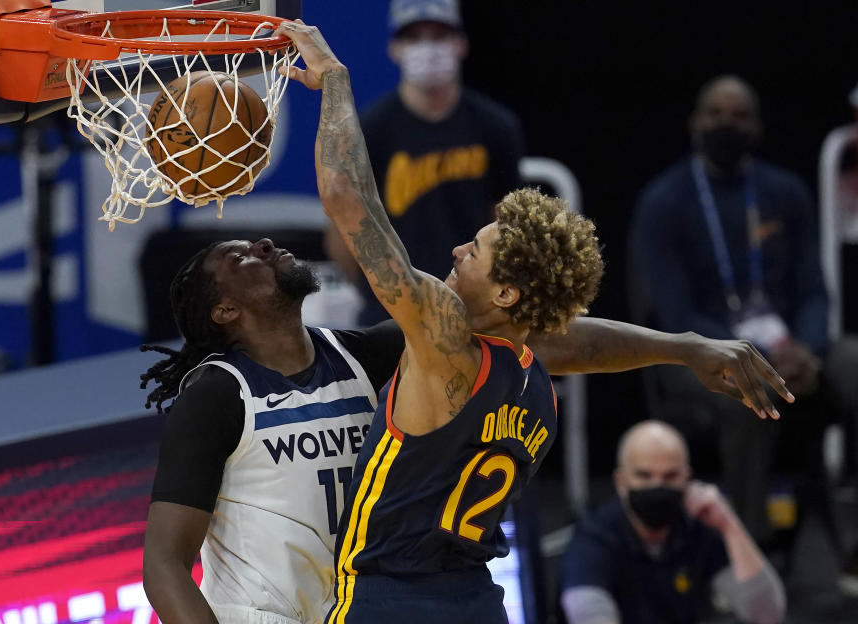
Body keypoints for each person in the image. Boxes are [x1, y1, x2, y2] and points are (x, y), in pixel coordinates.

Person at [275, 22, 791, 624]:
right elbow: (585, 343)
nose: (456, 254)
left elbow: (347, 198)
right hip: (477, 602)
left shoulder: (444, 336)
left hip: (390, 599)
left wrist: (335, 83)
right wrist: (687, 346)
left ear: (506, 291)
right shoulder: (534, 377)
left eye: (474, 250)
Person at [139, 234, 791, 624]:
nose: (262, 244)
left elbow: (543, 341)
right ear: (225, 309)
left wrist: (684, 346)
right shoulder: (219, 394)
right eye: (239, 258)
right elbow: (165, 563)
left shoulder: (360, 355)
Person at [629, 75, 858, 565]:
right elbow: (674, 314)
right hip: (695, 353)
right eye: (715, 114)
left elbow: (814, 290)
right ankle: (750, 551)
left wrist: (810, 351)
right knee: (744, 395)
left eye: (739, 116)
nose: (726, 124)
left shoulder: (785, 192)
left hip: (790, 350)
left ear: (757, 127)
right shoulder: (664, 202)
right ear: (695, 124)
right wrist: (759, 359)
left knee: (852, 363)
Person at [323, 0, 526, 326]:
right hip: (393, 312)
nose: (428, 48)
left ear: (461, 44)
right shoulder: (370, 130)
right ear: (394, 49)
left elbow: (506, 223)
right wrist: (380, 293)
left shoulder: (496, 126)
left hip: (475, 309)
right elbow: (343, 228)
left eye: (439, 36)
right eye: (415, 38)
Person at [560, 420, 786, 624]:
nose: (657, 486)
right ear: (621, 482)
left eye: (670, 476)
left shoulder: (696, 527)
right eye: (644, 476)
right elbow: (587, 613)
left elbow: (767, 614)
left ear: (686, 479)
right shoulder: (595, 538)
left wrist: (730, 525)